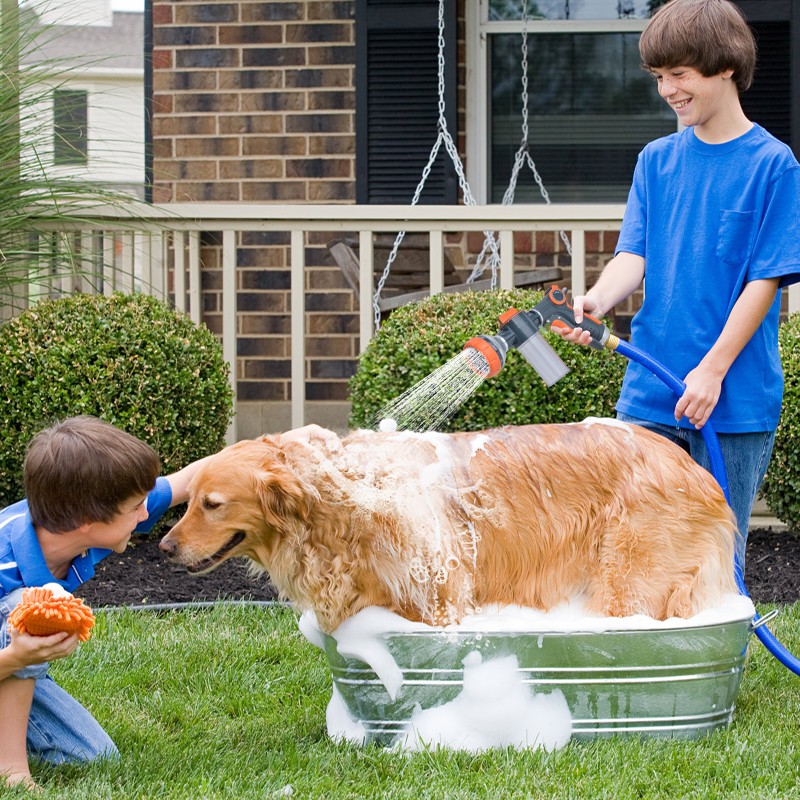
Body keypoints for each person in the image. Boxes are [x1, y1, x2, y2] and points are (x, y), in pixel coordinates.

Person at [555, 0, 800, 567]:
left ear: (726, 68)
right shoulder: (656, 161)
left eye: (680, 74)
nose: (667, 89)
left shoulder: (773, 165)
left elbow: (765, 283)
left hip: (731, 397)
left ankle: (717, 659)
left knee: (713, 554)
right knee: (635, 546)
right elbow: (633, 254)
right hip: (651, 389)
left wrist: (712, 372)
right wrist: (596, 299)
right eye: (659, 77)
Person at [0, 415, 340, 789]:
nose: (147, 515)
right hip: (9, 657)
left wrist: (284, 440)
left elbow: (191, 478)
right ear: (86, 519)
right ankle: (12, 770)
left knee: (93, 757)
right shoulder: (7, 563)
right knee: (24, 604)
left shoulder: (77, 520)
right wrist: (18, 658)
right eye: (135, 509)